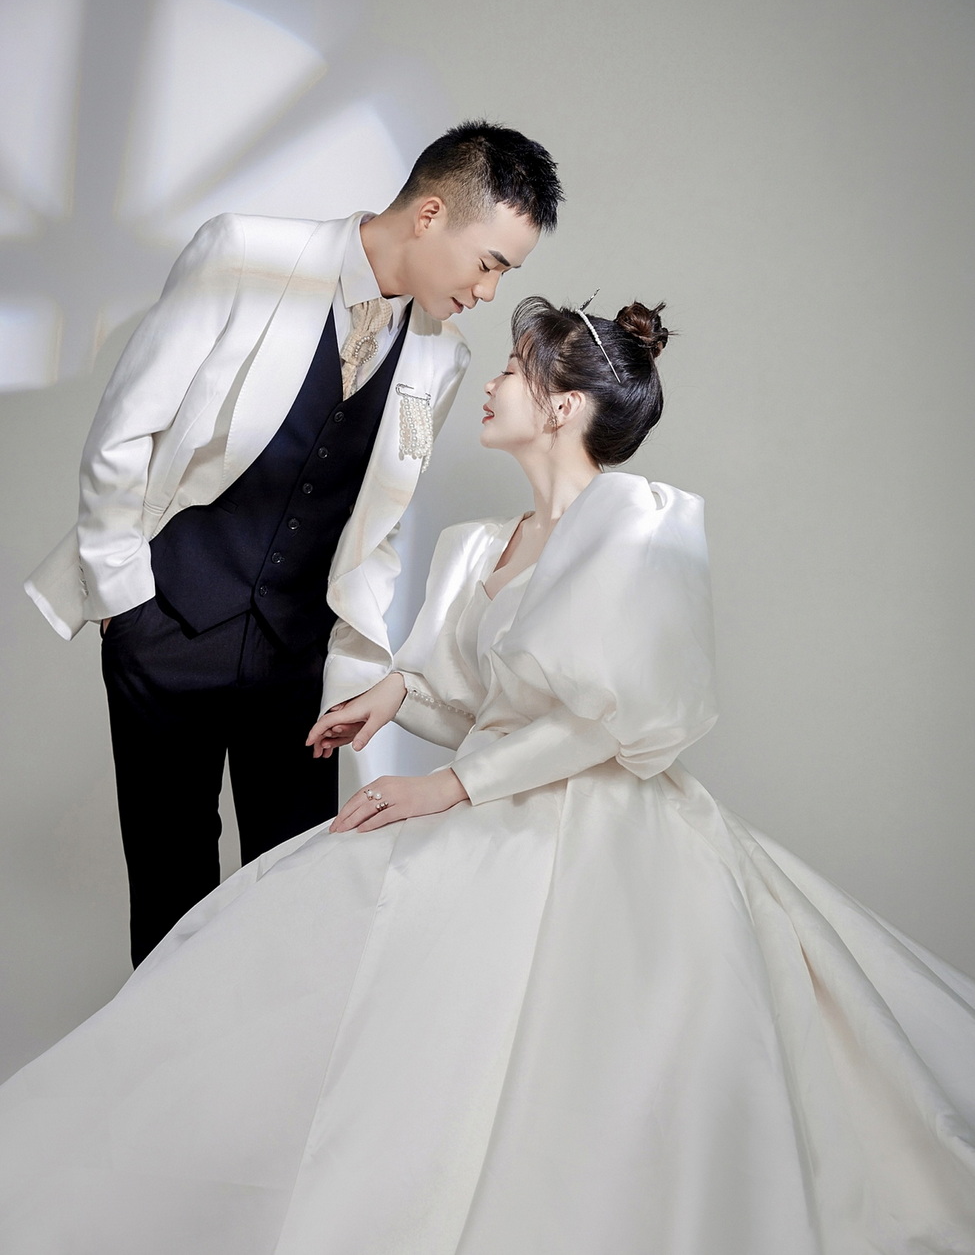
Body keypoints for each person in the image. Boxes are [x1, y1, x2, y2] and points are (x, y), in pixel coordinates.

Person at [3, 295, 974, 1254]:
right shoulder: (476, 546)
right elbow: (481, 709)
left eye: (513, 369)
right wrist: (393, 695)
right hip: (489, 800)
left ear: (562, 405)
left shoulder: (641, 520)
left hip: (598, 825)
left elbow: (611, 718)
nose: (493, 381)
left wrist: (445, 788)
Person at [23, 121, 563, 965]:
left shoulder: (442, 359)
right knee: (170, 883)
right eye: (489, 263)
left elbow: (376, 527)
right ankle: (170, 1053)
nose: (489, 292)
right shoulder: (243, 254)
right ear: (430, 215)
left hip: (299, 656)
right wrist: (126, 603)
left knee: (299, 887)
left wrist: (354, 667)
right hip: (166, 626)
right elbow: (125, 431)